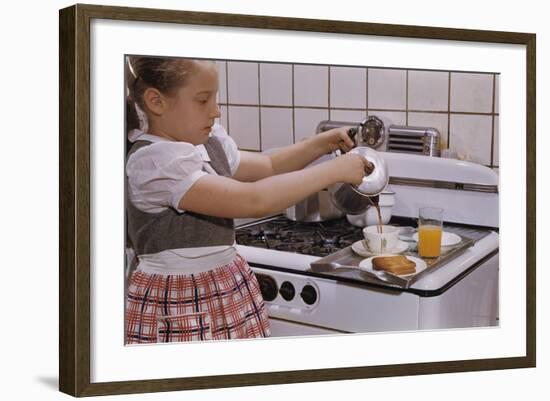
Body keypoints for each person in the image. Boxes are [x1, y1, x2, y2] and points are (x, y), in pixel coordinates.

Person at [125, 56, 371, 344]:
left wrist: (321, 144)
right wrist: (333, 171)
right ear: (156, 102)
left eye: (215, 98)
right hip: (179, 302)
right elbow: (254, 200)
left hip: (225, 288)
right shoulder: (155, 163)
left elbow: (268, 165)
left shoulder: (205, 144)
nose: (216, 111)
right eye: (203, 100)